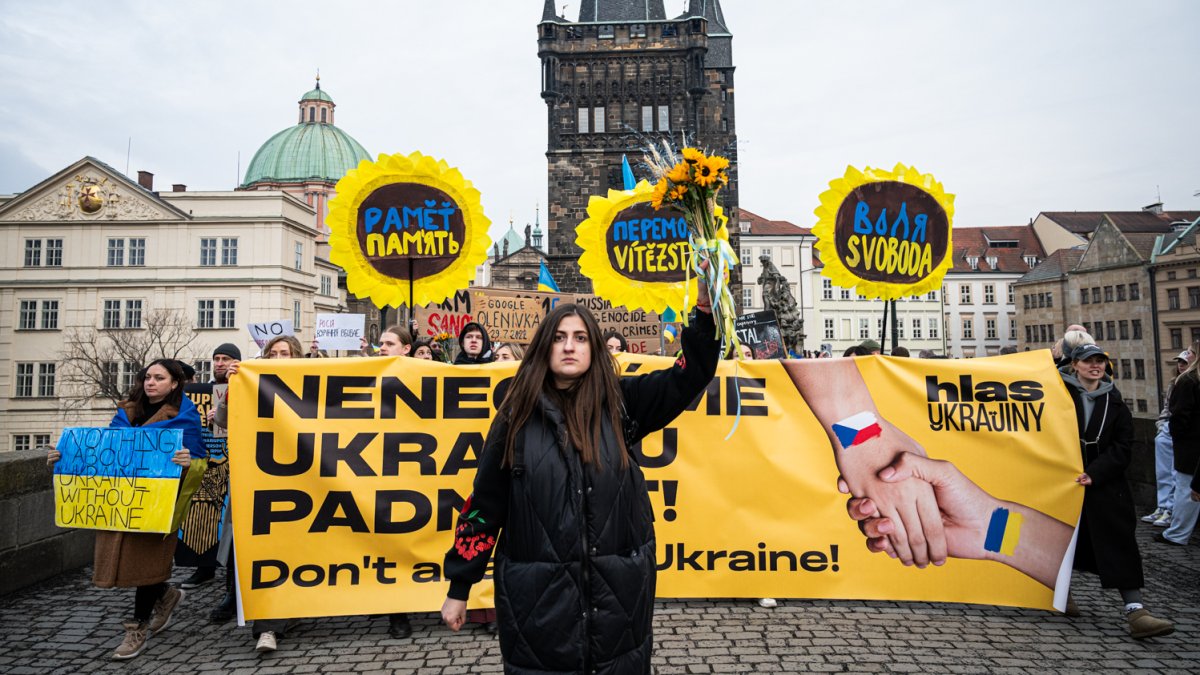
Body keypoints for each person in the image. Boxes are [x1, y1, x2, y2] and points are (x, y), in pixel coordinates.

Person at [440, 287, 720, 673]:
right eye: (558, 338)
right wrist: (459, 588)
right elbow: (485, 506)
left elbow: (689, 376)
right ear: (544, 348)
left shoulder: (622, 403)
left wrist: (705, 314)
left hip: (617, 602)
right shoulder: (515, 418)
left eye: (580, 337)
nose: (569, 346)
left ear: (593, 349)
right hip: (539, 605)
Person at [47, 359, 205, 660]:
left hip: (158, 504)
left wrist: (188, 463)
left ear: (174, 383)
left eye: (159, 378)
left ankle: (136, 628)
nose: (151, 382)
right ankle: (167, 595)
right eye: (148, 377)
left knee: (146, 565)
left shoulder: (186, 416)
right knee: (130, 565)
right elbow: (104, 450)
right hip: (121, 502)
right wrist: (64, 458)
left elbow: (199, 460)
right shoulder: (126, 411)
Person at [1061, 344, 1173, 638]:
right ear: (1075, 365)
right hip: (1061, 481)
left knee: (1118, 542)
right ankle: (1059, 594)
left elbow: (1124, 445)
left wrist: (1095, 473)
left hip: (1103, 484)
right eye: (1088, 362)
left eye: (1099, 361)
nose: (1094, 366)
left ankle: (1136, 611)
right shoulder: (1058, 395)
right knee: (1059, 538)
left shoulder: (1114, 400)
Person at [216, 335, 305, 651]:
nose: (279, 357)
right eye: (273, 353)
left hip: (307, 482)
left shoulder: (311, 384)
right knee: (269, 552)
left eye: (286, 353)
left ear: (298, 358)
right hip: (263, 480)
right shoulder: (250, 383)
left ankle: (290, 612)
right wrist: (233, 388)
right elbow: (223, 421)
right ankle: (267, 627)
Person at [180, 343, 240, 593]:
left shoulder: (243, 387)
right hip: (206, 463)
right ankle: (204, 568)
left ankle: (230, 583)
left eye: (226, 358)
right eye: (216, 358)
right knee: (203, 515)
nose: (219, 363)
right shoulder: (198, 392)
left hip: (235, 462)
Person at [1144, 350, 1192, 526]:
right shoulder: (1175, 383)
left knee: (1176, 473)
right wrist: (1162, 424)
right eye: (1179, 362)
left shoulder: (1192, 382)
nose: (1180, 365)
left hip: (1181, 433)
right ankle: (1163, 506)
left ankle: (1171, 509)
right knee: (1163, 472)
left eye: (1185, 362)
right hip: (1168, 429)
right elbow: (1167, 407)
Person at [1159, 348, 1200, 546]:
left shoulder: (1188, 380)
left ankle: (1177, 534)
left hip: (1191, 445)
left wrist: (1177, 435)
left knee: (1186, 489)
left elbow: (1180, 416)